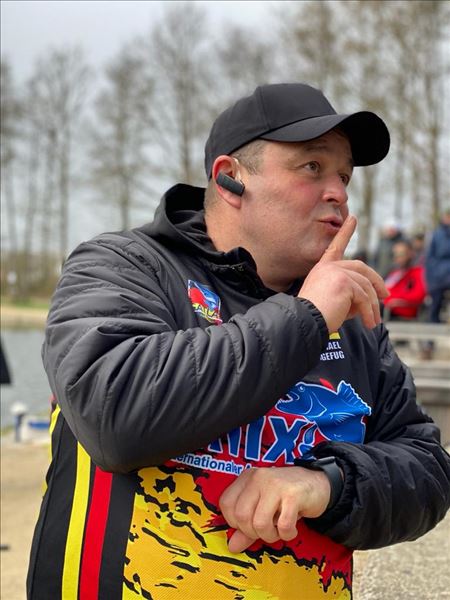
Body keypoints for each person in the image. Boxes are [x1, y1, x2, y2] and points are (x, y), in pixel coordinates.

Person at [27, 83, 450, 600]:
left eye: (343, 176)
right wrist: (307, 316)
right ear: (231, 179)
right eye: (312, 167)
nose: (338, 192)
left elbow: (426, 468)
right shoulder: (125, 266)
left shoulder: (352, 316)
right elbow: (114, 414)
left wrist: (328, 482)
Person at [383, 239, 427, 319]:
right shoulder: (394, 273)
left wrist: (391, 299)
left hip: (399, 312)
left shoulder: (418, 272)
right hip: (386, 308)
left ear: (410, 254)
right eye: (395, 255)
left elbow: (418, 296)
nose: (397, 258)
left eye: (401, 255)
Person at [425, 209, 450, 324]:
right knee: (435, 304)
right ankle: (432, 328)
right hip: (439, 275)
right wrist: (431, 277)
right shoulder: (437, 234)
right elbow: (430, 257)